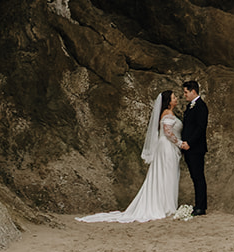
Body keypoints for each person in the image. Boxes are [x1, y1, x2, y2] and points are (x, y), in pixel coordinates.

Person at [77, 90, 183, 222]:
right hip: (167, 147)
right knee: (167, 174)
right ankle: (167, 206)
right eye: (174, 97)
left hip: (168, 147)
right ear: (168, 102)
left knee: (167, 175)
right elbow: (167, 132)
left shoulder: (169, 113)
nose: (176, 99)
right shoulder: (167, 114)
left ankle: (167, 204)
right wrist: (180, 143)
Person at [179, 79, 208, 215]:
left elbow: (200, 128)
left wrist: (189, 142)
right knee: (194, 177)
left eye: (186, 92)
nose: (184, 95)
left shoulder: (201, 106)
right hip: (189, 148)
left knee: (198, 177)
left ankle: (201, 207)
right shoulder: (191, 106)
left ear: (193, 91)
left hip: (196, 149)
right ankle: (198, 204)